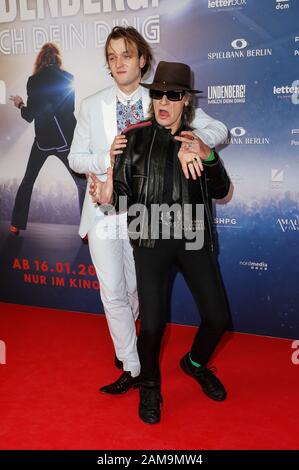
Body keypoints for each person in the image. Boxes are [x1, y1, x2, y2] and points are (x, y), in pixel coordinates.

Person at [68, 26, 228, 396]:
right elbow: (77, 158)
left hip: (150, 217)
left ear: (142, 60)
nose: (118, 62)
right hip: (109, 208)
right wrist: (106, 160)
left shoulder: (161, 95)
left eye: (126, 54)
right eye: (112, 56)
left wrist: (196, 146)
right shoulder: (92, 104)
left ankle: (142, 351)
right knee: (113, 292)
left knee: (139, 294)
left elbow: (215, 128)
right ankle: (133, 365)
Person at [9, 42, 86, 235]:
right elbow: (70, 110)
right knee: (82, 182)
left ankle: (15, 225)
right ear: (58, 59)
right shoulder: (68, 78)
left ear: (40, 59)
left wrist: (19, 104)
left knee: (28, 181)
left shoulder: (33, 81)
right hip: (65, 141)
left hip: (43, 140)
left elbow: (29, 115)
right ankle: (86, 230)